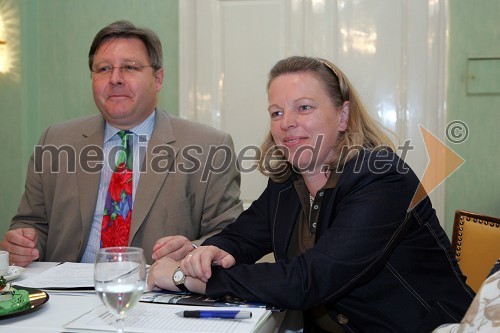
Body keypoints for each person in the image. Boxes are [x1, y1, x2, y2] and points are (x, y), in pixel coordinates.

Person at [147, 56, 475, 332]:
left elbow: (309, 280)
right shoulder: (288, 180)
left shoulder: (383, 178)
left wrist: (183, 278)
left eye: (303, 107)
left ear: (343, 116)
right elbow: (243, 237)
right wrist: (200, 253)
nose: (286, 122)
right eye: (276, 112)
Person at [0, 20, 243, 267]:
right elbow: (31, 223)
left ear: (158, 79)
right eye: (104, 69)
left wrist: (193, 249)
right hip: (64, 295)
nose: (115, 79)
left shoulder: (210, 147)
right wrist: (23, 243)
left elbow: (231, 235)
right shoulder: (54, 141)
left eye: (130, 67)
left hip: (154, 293)